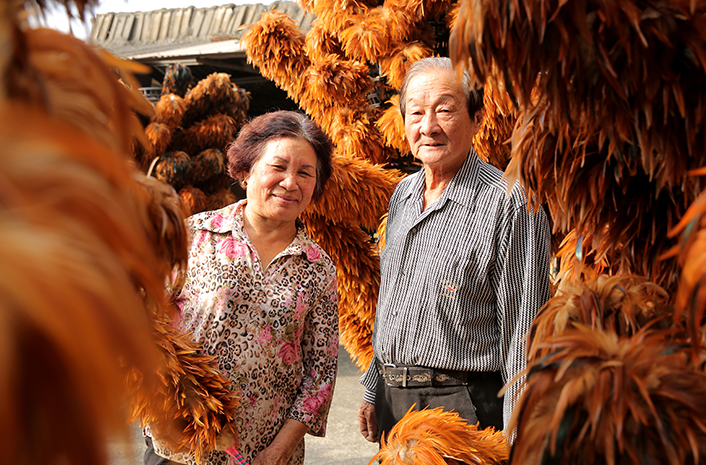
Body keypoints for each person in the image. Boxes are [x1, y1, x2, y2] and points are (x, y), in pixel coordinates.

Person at [357, 57, 551, 442]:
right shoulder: (403, 194)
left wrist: (519, 440)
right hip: (394, 403)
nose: (428, 126)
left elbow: (524, 333)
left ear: (477, 119)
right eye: (416, 113)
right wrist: (372, 388)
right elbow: (391, 299)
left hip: (463, 404)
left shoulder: (510, 202)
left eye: (444, 111)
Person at [145, 110, 339, 465]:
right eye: (278, 167)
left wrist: (280, 450)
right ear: (246, 170)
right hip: (181, 447)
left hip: (264, 454)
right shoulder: (194, 235)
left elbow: (320, 373)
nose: (290, 183)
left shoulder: (317, 267)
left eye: (305, 173)